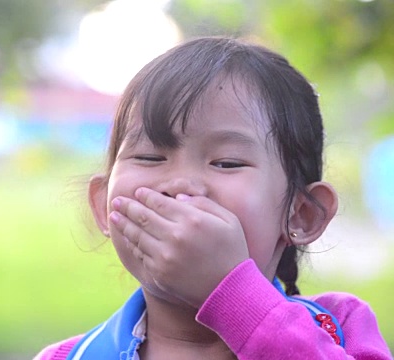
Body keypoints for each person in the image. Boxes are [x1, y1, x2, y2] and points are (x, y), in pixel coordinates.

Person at [34, 37, 392, 359]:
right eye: (149, 157)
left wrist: (234, 295)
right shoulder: (68, 357)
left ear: (301, 215)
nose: (180, 184)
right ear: (102, 205)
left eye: (226, 162)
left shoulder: (340, 330)